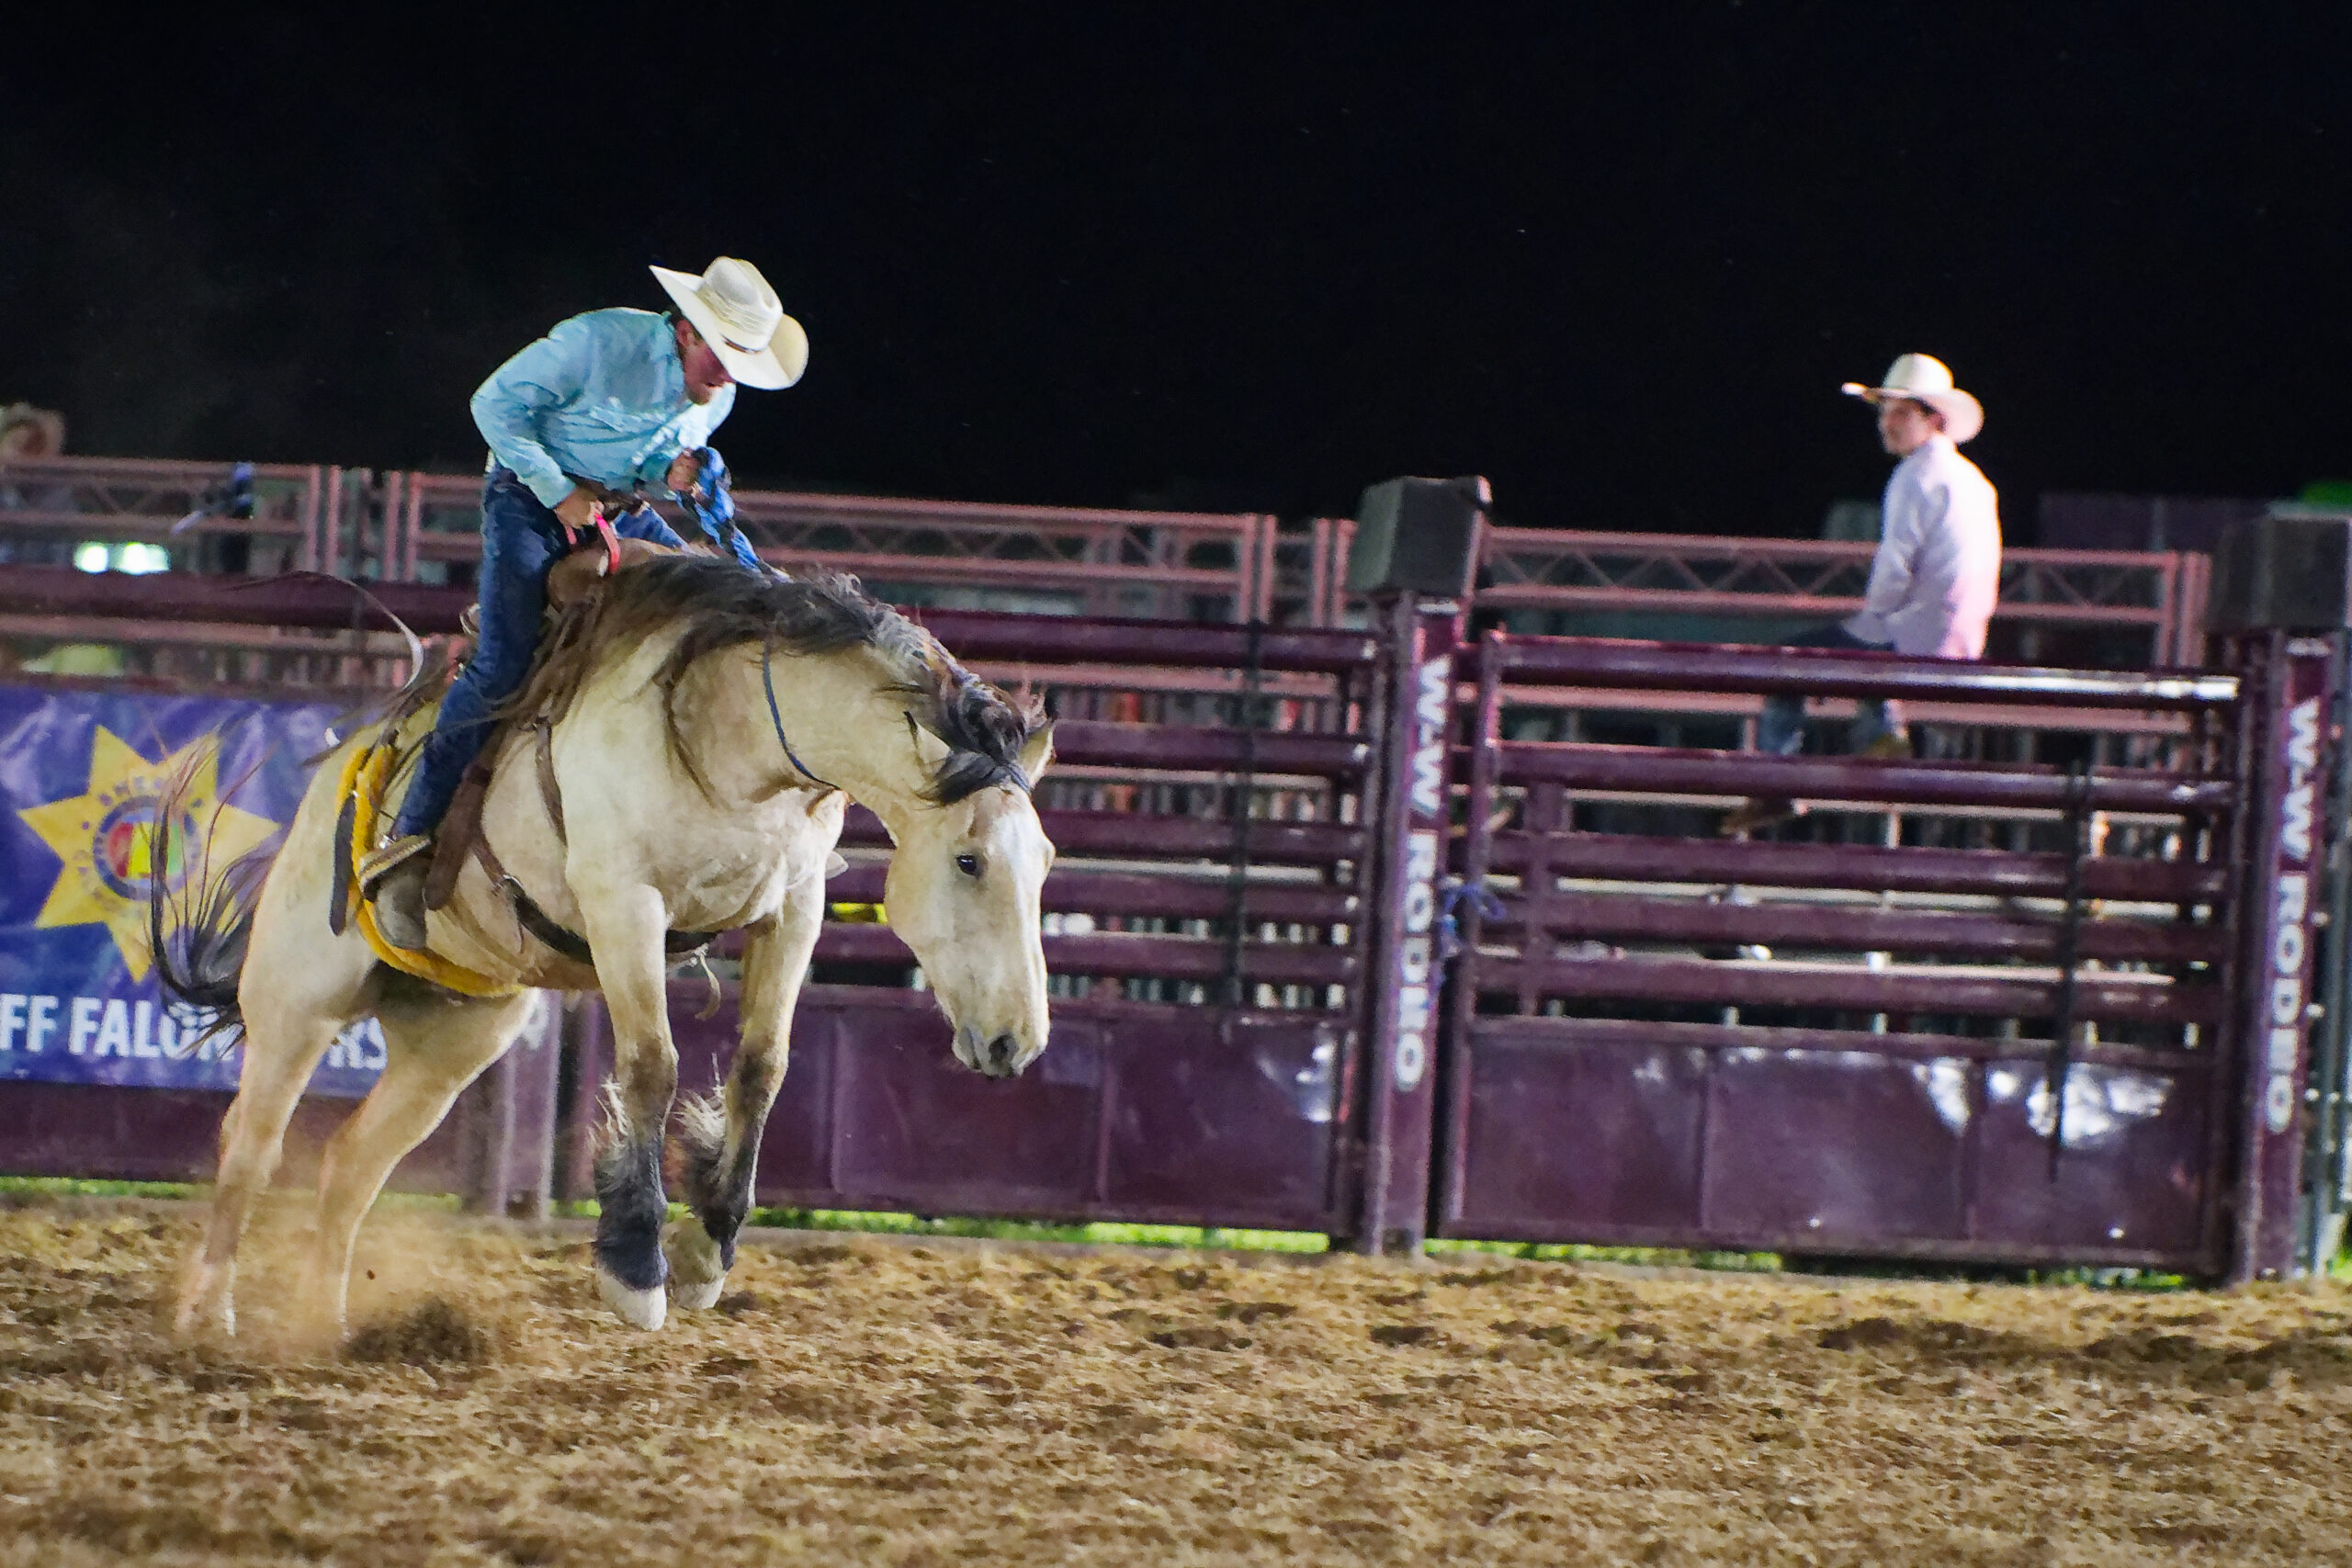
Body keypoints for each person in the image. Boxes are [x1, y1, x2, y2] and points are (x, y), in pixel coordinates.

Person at [362, 256, 808, 948]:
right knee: (501, 663)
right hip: (526, 499)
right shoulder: (596, 343)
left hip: (616, 511)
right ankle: (406, 840)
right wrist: (556, 492)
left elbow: (649, 464)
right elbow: (493, 406)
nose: (727, 376)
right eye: (721, 356)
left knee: (713, 598)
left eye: (740, 362)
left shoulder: (715, 393)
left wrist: (673, 475)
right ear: (687, 331)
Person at [1722, 354, 2001, 835]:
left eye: (1899, 412)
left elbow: (1895, 567)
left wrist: (1870, 620)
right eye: (1884, 411)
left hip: (1915, 636)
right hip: (1959, 638)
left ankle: (1775, 785)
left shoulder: (1914, 476)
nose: (1886, 423)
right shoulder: (1973, 482)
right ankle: (1881, 731)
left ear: (1932, 419)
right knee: (1867, 642)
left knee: (1792, 658)